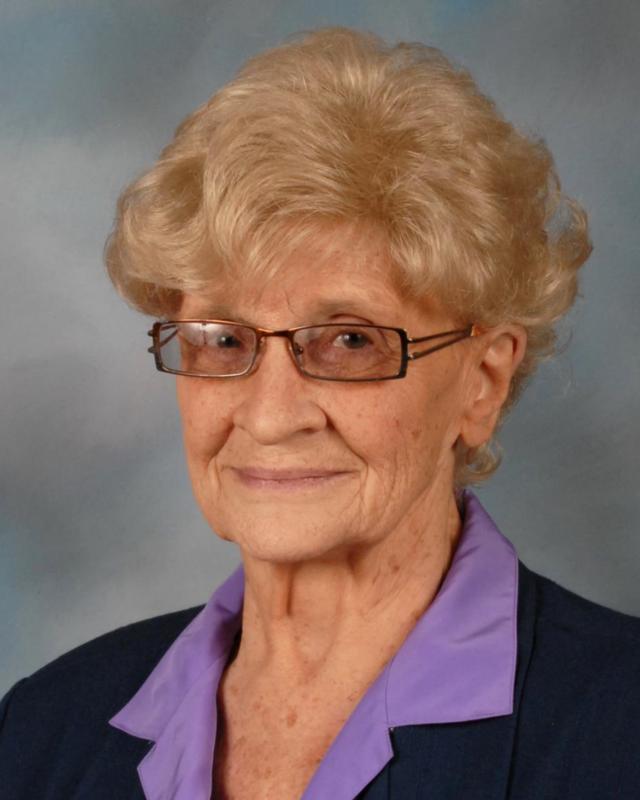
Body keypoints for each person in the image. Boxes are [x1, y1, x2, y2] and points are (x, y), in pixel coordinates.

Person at [1, 26, 638, 800]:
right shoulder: (41, 732)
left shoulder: (618, 732)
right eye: (224, 339)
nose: (271, 416)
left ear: (483, 380)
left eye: (349, 340)